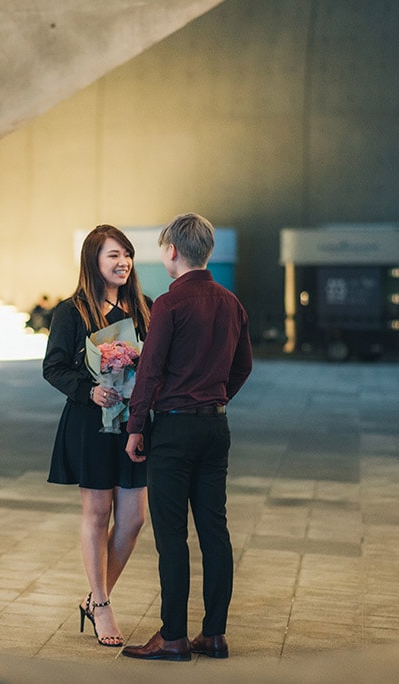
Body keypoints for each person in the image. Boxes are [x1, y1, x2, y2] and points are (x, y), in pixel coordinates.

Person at [121, 213, 253, 662]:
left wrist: (136, 425)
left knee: (172, 536)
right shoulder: (231, 303)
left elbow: (151, 369)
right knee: (215, 530)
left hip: (174, 428)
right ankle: (213, 634)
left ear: (171, 252)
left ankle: (173, 636)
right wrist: (216, 399)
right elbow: (243, 367)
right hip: (215, 427)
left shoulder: (169, 305)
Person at [42, 224, 152, 648]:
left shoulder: (146, 308)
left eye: (126, 254)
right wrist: (90, 391)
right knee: (97, 513)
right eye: (113, 255)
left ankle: (92, 598)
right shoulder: (73, 312)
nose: (123, 261)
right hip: (91, 422)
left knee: (134, 519)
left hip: (134, 424)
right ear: (93, 261)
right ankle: (103, 605)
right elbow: (54, 368)